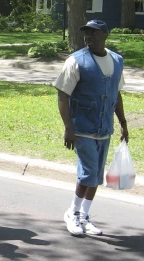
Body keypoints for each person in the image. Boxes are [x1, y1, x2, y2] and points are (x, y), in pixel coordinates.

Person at [55, 20, 129, 236]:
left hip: (104, 128)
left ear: (105, 35)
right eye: (86, 33)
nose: (89, 36)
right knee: (88, 174)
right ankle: (73, 213)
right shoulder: (76, 61)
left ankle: (84, 215)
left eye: (94, 33)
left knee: (96, 176)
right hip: (82, 127)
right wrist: (68, 127)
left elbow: (117, 94)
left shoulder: (116, 61)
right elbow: (63, 94)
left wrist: (123, 123)